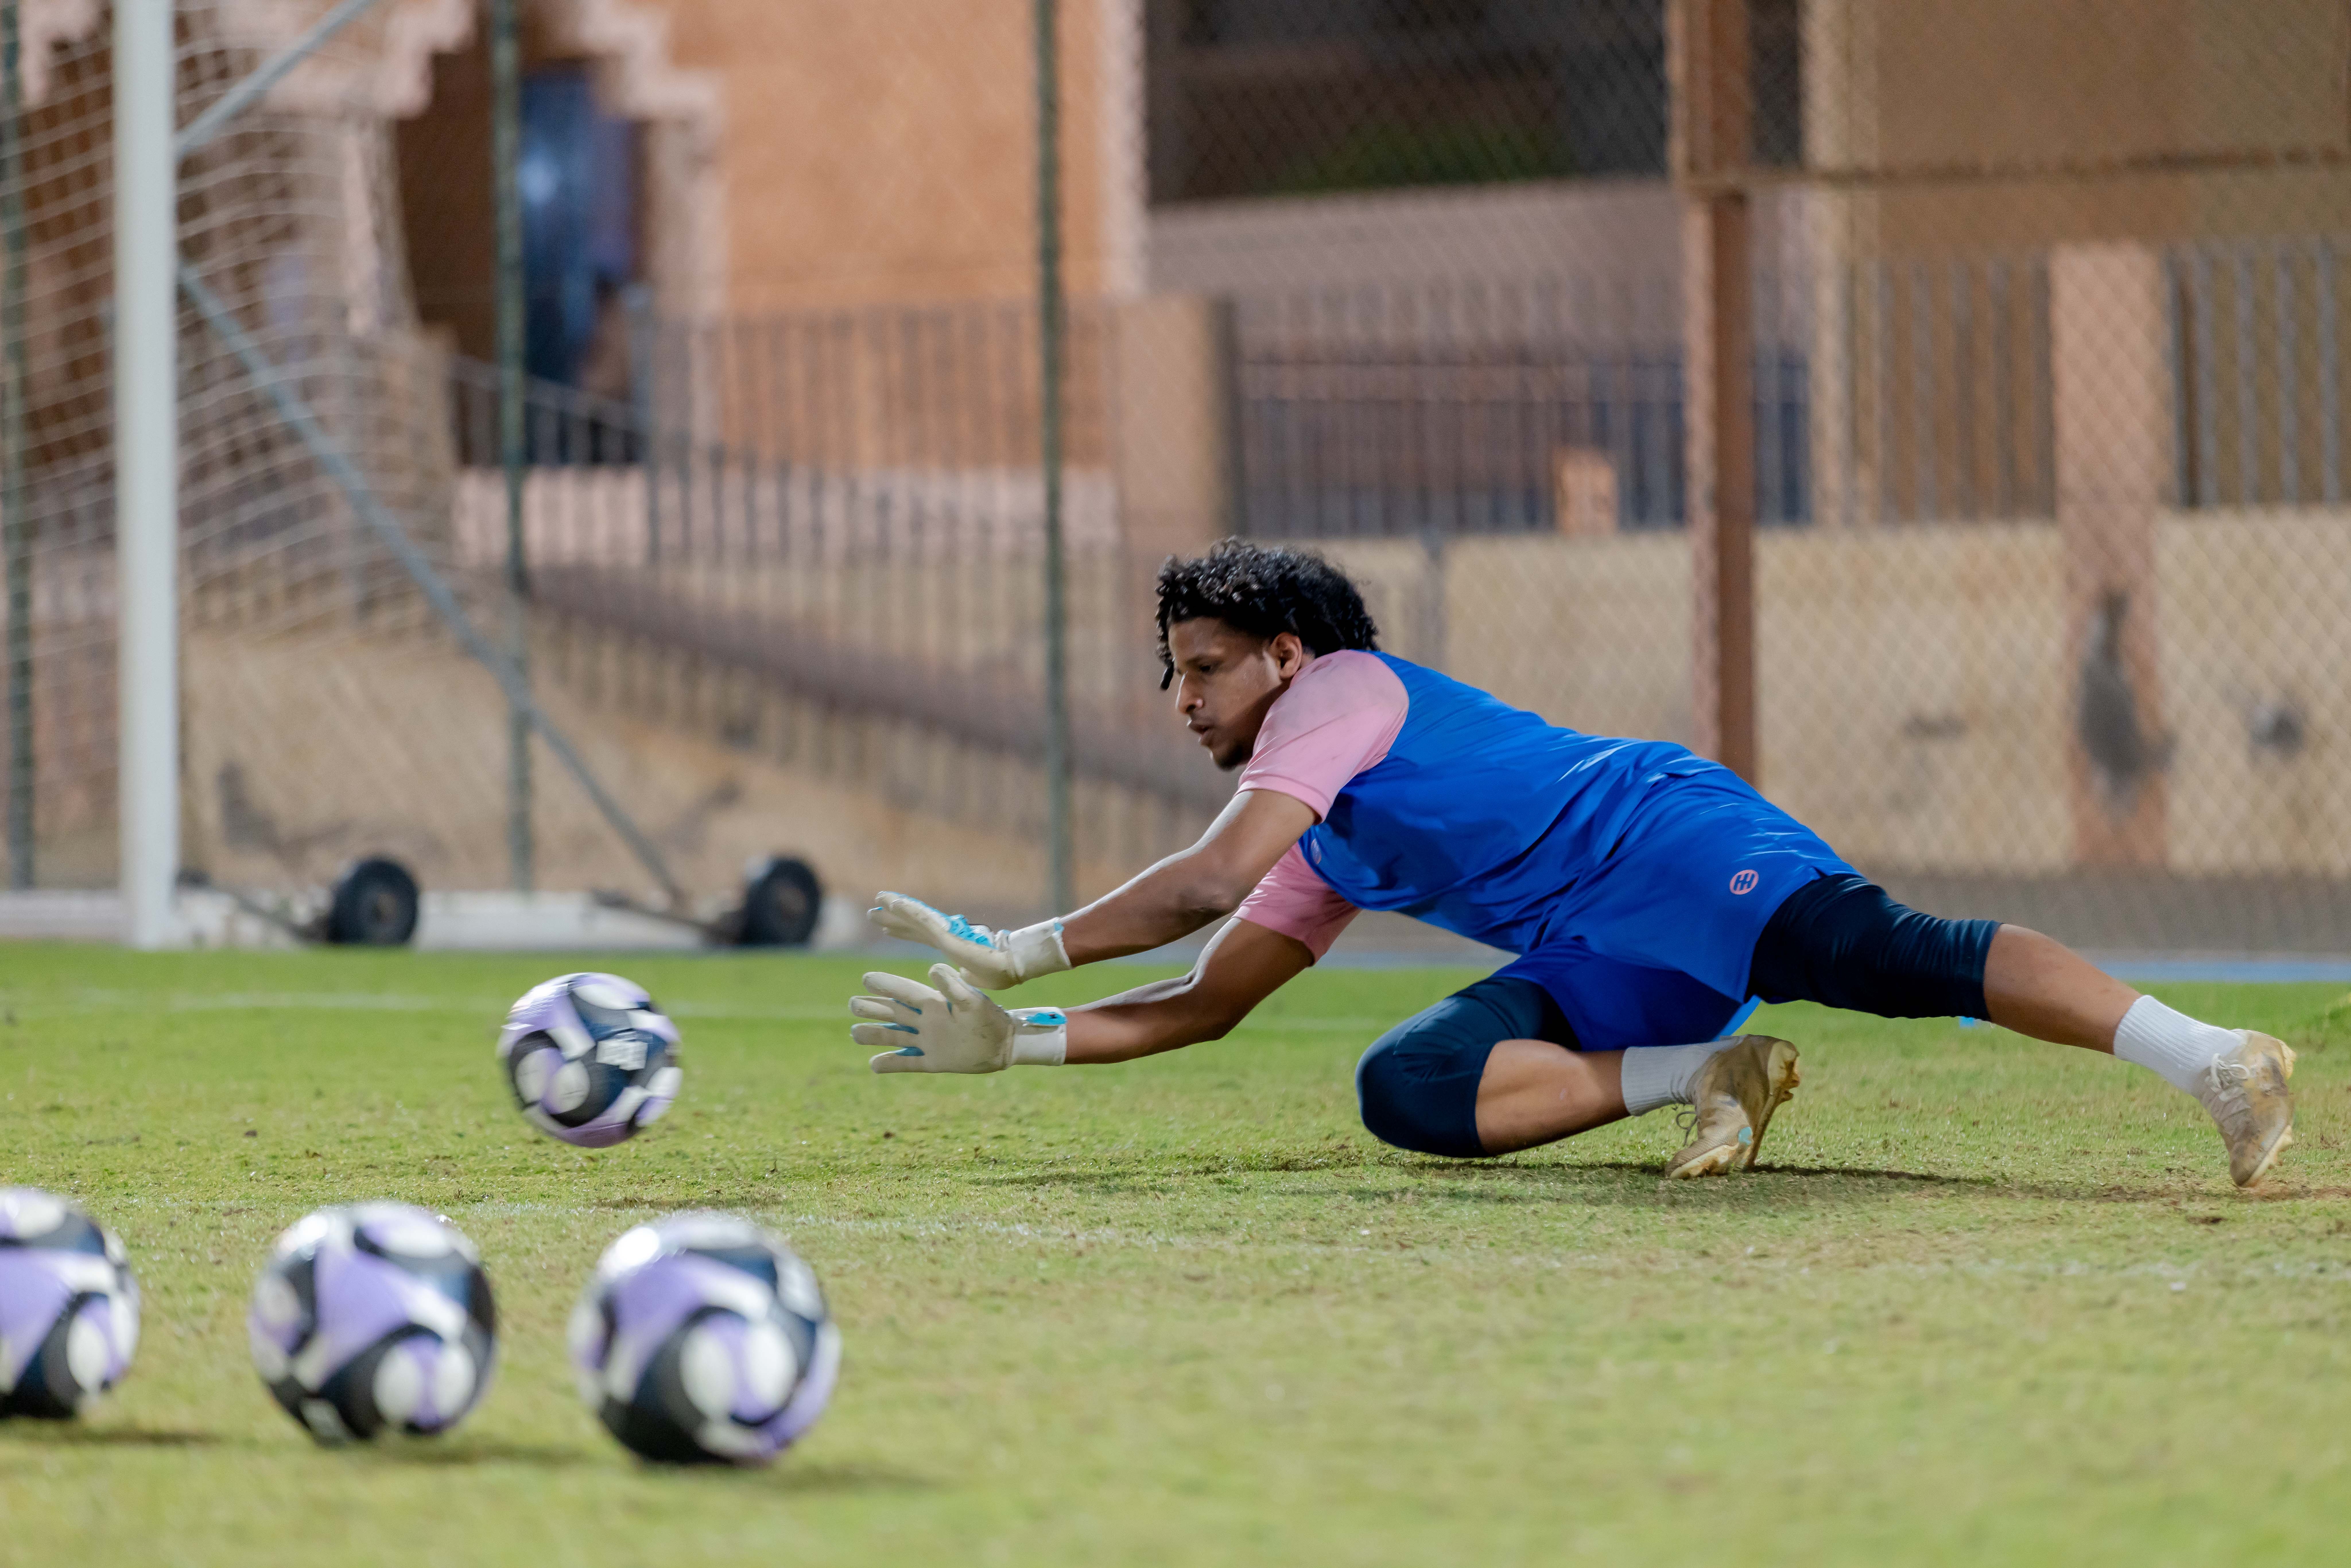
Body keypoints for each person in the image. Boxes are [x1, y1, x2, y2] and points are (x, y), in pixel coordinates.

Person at [851, 541, 2295, 1187]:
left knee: (1885, 960)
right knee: (1402, 1090)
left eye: (1205, 667)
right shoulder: (1325, 826)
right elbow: (1206, 995)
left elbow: (1201, 882)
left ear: (1285, 657)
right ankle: (1705, 1078)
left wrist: (1021, 948)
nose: (1184, 700)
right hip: (1599, 954)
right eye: (1172, 674)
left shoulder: (1340, 689)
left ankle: (2210, 1058)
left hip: (1662, 841)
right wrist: (1015, 1044)